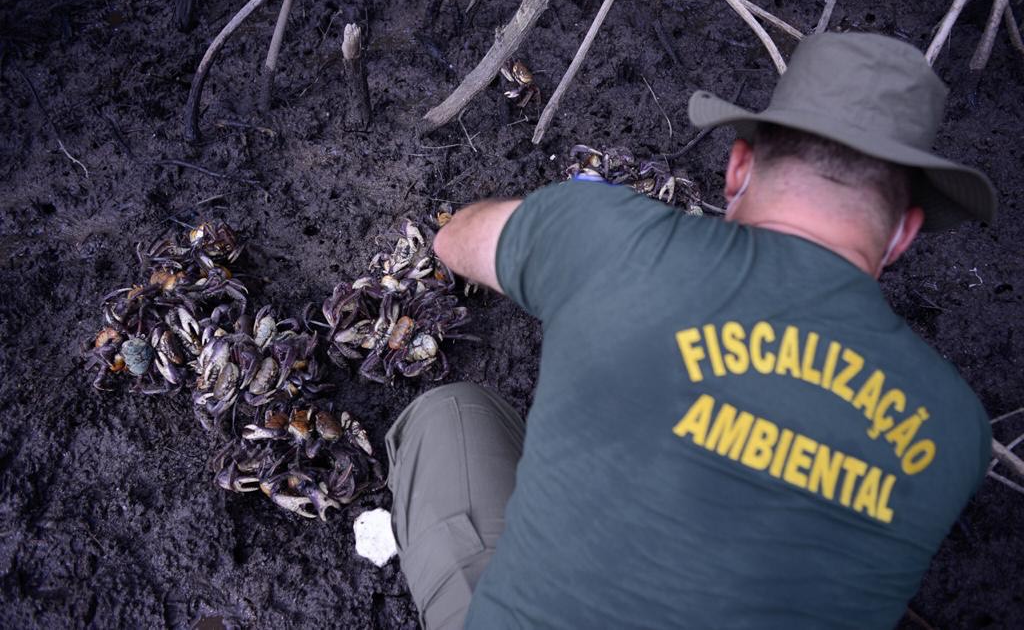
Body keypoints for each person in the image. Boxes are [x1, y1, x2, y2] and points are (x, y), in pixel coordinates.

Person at [384, 32, 998, 629]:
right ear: (904, 233)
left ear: (737, 170)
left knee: (450, 411)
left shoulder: (608, 240)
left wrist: (574, 246)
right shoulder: (957, 430)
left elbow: (454, 240)